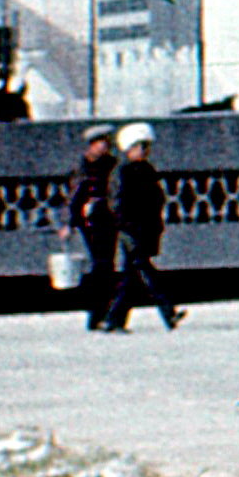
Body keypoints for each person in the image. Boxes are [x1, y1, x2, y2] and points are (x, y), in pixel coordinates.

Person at [97, 122, 179, 331]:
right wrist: (127, 225)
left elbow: (156, 198)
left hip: (144, 229)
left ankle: (113, 320)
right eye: (140, 147)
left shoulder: (146, 170)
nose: (144, 151)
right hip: (131, 230)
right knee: (145, 270)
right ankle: (168, 310)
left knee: (130, 277)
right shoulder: (122, 171)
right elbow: (116, 202)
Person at [62, 129, 120, 331]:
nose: (104, 147)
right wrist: (68, 223)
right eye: (100, 143)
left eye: (106, 143)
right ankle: (97, 314)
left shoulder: (111, 164)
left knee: (106, 265)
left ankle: (102, 313)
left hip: (108, 217)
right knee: (101, 265)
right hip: (90, 220)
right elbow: (74, 195)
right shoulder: (83, 166)